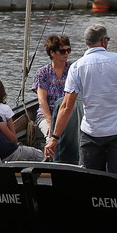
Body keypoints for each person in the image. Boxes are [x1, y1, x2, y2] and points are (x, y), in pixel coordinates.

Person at [44, 23, 117, 176]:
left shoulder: (77, 67)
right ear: (103, 41)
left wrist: (54, 138)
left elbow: (66, 107)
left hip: (92, 132)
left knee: (89, 179)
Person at [33, 34, 79, 165]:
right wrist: (49, 121)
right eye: (62, 51)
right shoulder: (43, 73)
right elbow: (42, 101)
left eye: (68, 50)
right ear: (52, 53)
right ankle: (51, 164)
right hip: (48, 114)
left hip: (70, 113)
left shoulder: (73, 70)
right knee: (51, 136)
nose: (66, 54)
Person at [0, 77, 44, 161]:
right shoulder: (5, 109)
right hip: (6, 150)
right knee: (38, 154)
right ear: (2, 93)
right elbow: (13, 138)